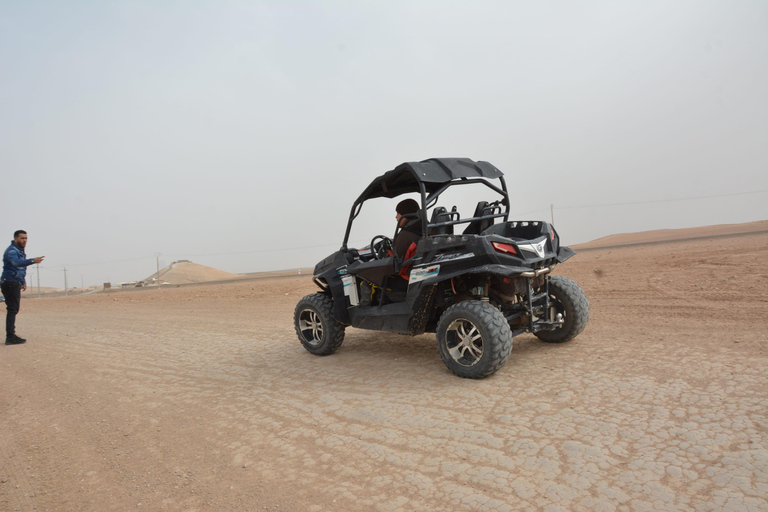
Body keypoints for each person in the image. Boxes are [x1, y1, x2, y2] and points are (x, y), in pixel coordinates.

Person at [2, 230, 45, 345]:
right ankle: (10, 337)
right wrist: (33, 261)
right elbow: (16, 263)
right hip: (10, 282)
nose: (24, 240)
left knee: (13, 309)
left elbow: (18, 269)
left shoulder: (19, 251)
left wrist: (23, 280)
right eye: (22, 238)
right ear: (15, 239)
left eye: (26, 238)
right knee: (12, 309)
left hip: (14, 282)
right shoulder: (12, 251)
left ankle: (11, 335)